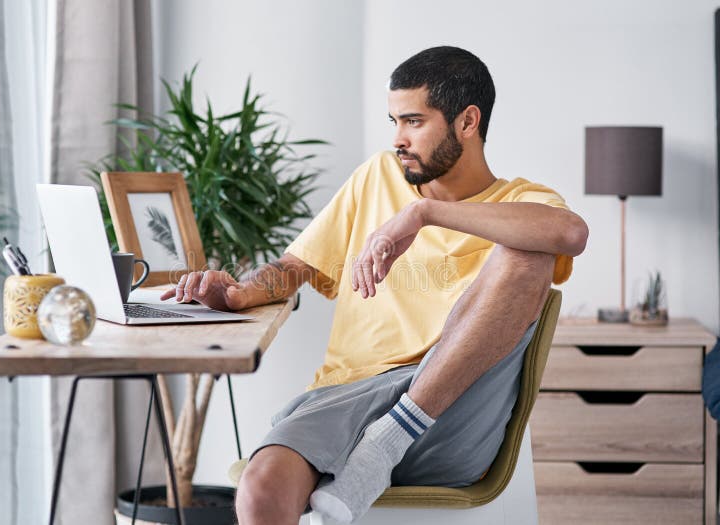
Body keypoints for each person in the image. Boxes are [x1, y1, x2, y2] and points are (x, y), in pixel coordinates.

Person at [161, 45, 588, 525]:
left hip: (450, 410)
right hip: (349, 396)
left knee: (527, 250)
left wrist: (422, 214)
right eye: (394, 123)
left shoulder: (522, 202)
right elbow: (292, 267)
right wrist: (239, 292)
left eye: (413, 121)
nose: (398, 139)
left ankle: (389, 440)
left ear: (467, 122)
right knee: (261, 488)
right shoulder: (375, 178)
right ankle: (373, 451)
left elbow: (570, 233)